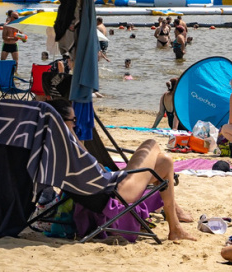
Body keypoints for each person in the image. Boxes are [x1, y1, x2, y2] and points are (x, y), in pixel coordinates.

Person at [50, 100, 195, 241]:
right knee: (151, 144)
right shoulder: (68, 147)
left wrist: (70, 132)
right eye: (73, 120)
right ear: (61, 122)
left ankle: (175, 227)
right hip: (113, 194)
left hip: (106, 188)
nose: (75, 123)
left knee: (165, 162)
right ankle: (175, 226)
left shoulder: (57, 146)